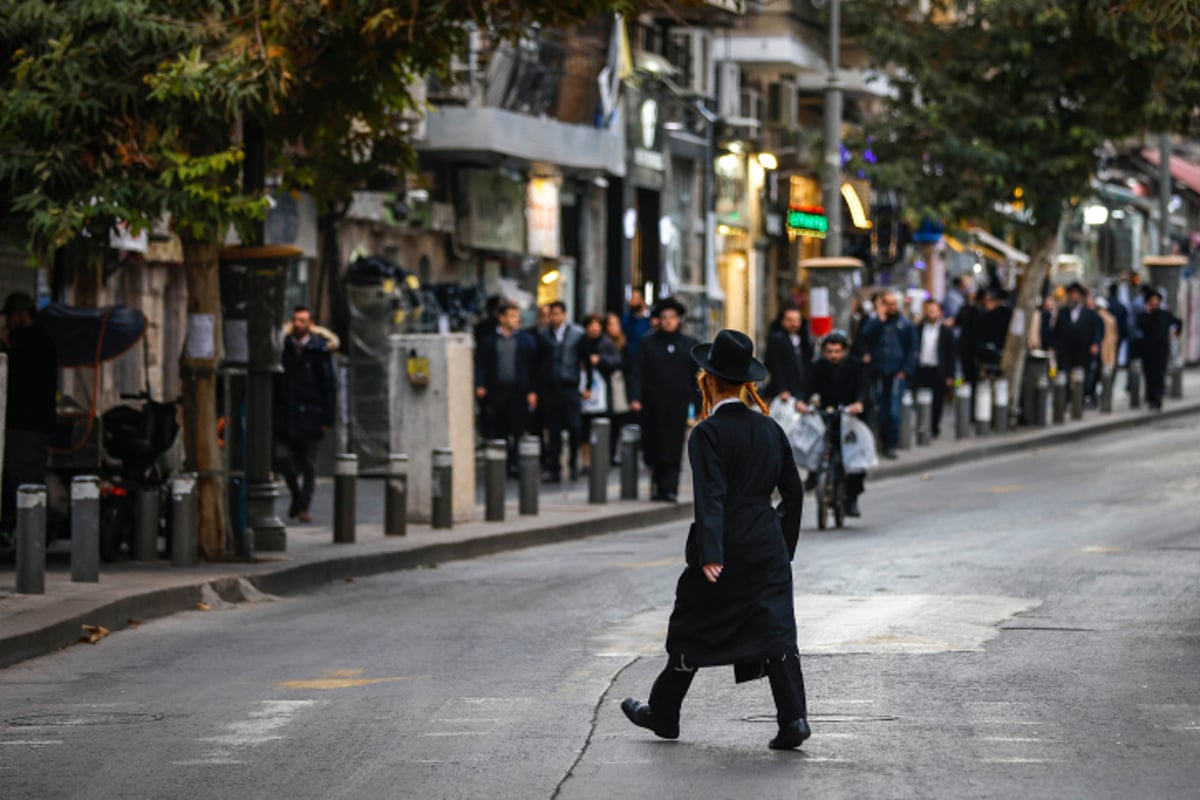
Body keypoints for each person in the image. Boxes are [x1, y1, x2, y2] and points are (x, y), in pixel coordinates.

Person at [620, 329, 809, 750]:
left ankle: (664, 714)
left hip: (725, 545)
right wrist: (782, 542)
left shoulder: (706, 433)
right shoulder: (770, 429)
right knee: (776, 629)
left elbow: (711, 495)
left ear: (707, 379)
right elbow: (793, 493)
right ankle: (793, 719)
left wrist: (711, 551)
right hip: (767, 544)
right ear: (745, 383)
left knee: (691, 630)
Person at [628, 297, 698, 502]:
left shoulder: (688, 344)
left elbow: (696, 378)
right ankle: (657, 484)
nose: (668, 321)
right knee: (653, 445)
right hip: (652, 403)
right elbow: (637, 372)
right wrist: (635, 397)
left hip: (678, 404)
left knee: (674, 446)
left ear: (678, 320)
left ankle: (670, 488)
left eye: (672, 318)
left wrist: (699, 403)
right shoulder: (647, 342)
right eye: (664, 317)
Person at [1, 292, 57, 537]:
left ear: (23, 315)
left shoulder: (32, 343)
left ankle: (30, 538)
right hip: (24, 425)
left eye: (11, 317)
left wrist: (7, 344)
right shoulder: (33, 341)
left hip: (27, 426)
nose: (8, 323)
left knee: (25, 481)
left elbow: (20, 377)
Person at [273, 306, 336, 523]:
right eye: (296, 320)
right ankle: (297, 496)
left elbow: (329, 385)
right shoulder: (284, 348)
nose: (298, 324)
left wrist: (328, 417)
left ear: (311, 323)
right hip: (287, 416)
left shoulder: (319, 351)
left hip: (311, 416)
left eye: (303, 320)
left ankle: (303, 506)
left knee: (309, 463)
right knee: (282, 459)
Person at [797, 331, 869, 516]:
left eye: (837, 351)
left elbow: (863, 388)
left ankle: (851, 499)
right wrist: (802, 402)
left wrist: (859, 404)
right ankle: (815, 473)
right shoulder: (818, 366)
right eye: (829, 351)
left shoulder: (856, 366)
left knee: (855, 458)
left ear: (844, 351)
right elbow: (807, 387)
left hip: (851, 415)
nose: (833, 355)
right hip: (828, 413)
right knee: (816, 439)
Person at [475, 302, 539, 477]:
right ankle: (501, 464)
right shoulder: (489, 341)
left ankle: (516, 463)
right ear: (501, 318)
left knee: (518, 429)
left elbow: (533, 367)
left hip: (518, 391)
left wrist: (532, 390)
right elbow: (481, 365)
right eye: (511, 315)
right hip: (497, 390)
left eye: (517, 316)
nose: (515, 319)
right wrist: (480, 384)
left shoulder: (526, 341)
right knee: (499, 428)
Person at [855, 291, 915, 459]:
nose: (890, 307)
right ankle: (879, 442)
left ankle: (891, 444)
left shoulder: (905, 324)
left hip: (896, 373)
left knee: (893, 410)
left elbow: (911, 349)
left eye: (893, 303)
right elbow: (863, 337)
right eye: (886, 303)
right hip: (877, 372)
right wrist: (878, 318)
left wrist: (905, 370)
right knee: (878, 409)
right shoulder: (875, 322)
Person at [538, 301, 589, 483]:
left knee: (574, 427)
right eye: (551, 314)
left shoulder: (577, 334)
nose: (554, 317)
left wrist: (587, 386)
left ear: (564, 315)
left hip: (570, 388)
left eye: (558, 314)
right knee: (553, 431)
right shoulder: (543, 336)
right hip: (550, 389)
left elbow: (586, 361)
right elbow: (539, 363)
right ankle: (555, 469)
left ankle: (573, 463)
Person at [578, 314, 621, 474]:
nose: (594, 328)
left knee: (602, 427)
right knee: (584, 429)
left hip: (602, 393)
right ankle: (586, 461)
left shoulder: (606, 343)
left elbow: (616, 362)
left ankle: (601, 459)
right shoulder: (581, 342)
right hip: (583, 390)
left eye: (597, 325)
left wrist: (600, 360)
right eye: (591, 325)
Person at [913, 299, 957, 438]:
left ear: (939, 312)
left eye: (934, 311)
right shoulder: (918, 329)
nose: (931, 313)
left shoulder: (946, 332)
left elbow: (951, 355)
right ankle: (921, 426)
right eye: (929, 310)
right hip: (922, 368)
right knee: (920, 399)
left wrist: (950, 376)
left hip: (938, 370)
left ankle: (934, 428)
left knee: (937, 401)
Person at [1050, 283, 1101, 397]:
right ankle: (1067, 397)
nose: (1074, 296)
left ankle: (1081, 397)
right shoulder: (1062, 312)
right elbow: (1056, 330)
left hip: (1083, 350)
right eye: (1071, 294)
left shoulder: (1089, 313)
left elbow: (1096, 330)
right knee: (1065, 374)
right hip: (1065, 350)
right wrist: (1053, 346)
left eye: (1076, 294)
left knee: (1081, 375)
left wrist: (1095, 344)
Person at [1135, 289, 1181, 411]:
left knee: (1159, 375)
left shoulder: (1164, 314)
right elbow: (1139, 324)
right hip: (1147, 350)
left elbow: (1178, 322)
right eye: (1152, 300)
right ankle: (1151, 398)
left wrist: (1175, 333)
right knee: (1149, 375)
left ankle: (1158, 398)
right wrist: (1147, 312)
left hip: (1161, 349)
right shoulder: (1145, 315)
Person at [762, 305, 812, 405]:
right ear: (783, 321)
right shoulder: (777, 339)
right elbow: (776, 366)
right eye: (789, 320)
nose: (793, 323)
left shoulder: (803, 339)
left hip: (799, 391)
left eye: (796, 320)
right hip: (783, 393)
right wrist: (782, 389)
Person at [620, 288, 653, 359]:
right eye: (632, 298)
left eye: (636, 298)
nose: (633, 301)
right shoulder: (626, 319)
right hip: (630, 356)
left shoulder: (649, 320)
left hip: (647, 356)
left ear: (642, 300)